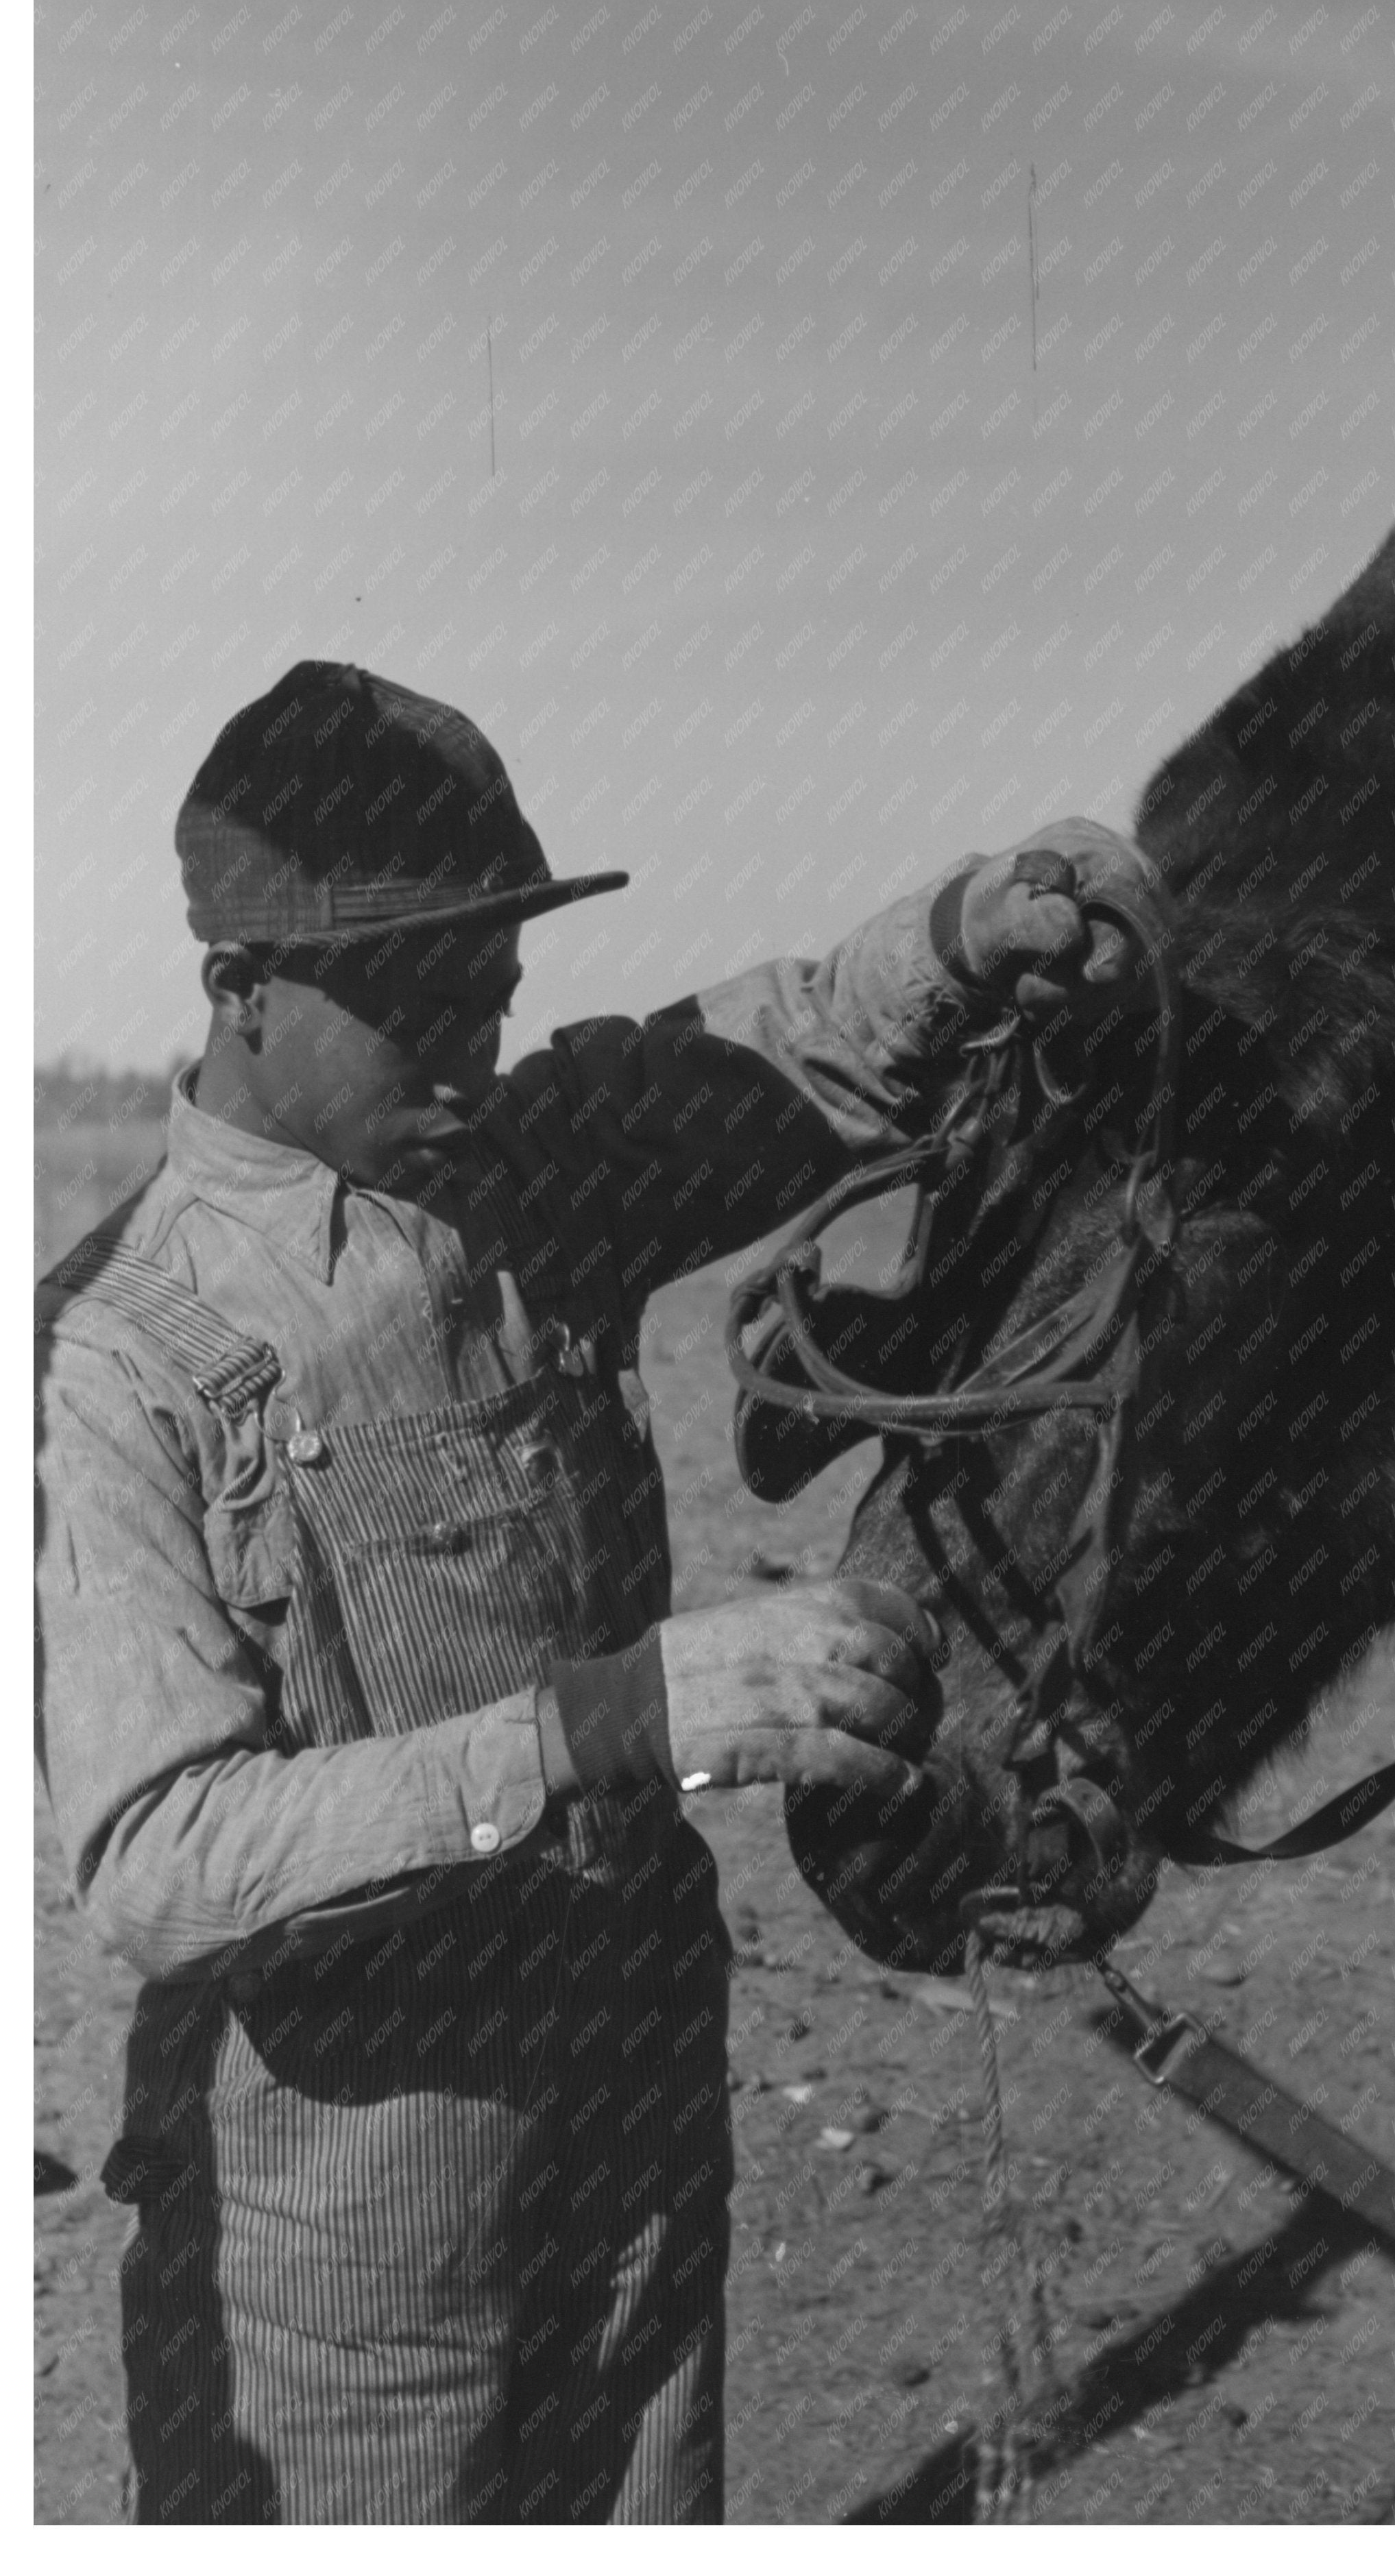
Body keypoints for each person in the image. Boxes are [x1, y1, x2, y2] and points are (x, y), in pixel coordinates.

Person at [34, 659, 1148, 2525]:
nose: (476, 1050)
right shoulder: (116, 1358)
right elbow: (158, 1851)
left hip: (638, 2152)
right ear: (241, 988)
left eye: (497, 989)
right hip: (352, 2289)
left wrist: (971, 926)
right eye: (420, 1002)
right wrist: (612, 1719)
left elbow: (783, 1051)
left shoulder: (531, 1173)